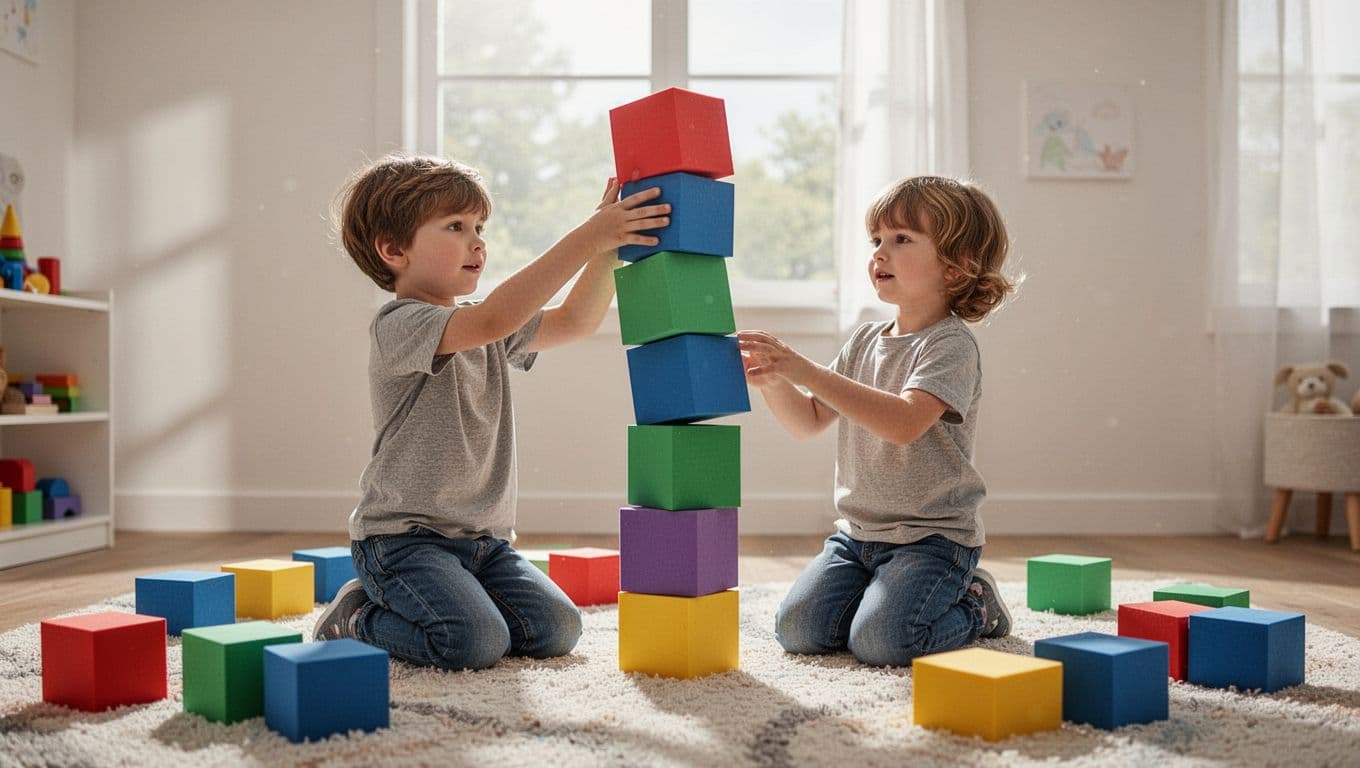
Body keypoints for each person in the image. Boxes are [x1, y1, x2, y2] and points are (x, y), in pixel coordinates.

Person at [314, 154, 669, 669]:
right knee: (473, 642)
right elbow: (496, 317)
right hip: (402, 542)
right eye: (455, 226)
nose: (477, 240)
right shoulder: (401, 325)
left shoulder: (485, 326)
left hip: (482, 542)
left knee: (556, 630)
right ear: (394, 251)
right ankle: (356, 619)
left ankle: (447, 599)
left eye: (479, 227)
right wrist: (587, 235)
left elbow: (574, 321)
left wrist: (608, 248)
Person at [737, 175, 1018, 667]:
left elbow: (904, 422)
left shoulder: (949, 345)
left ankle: (975, 603)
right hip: (857, 536)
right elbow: (807, 422)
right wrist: (774, 381)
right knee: (799, 630)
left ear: (956, 267)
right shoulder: (864, 340)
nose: (879, 253)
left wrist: (802, 367)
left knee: (886, 643)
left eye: (902, 239)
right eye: (876, 240)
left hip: (932, 540)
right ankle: (881, 594)